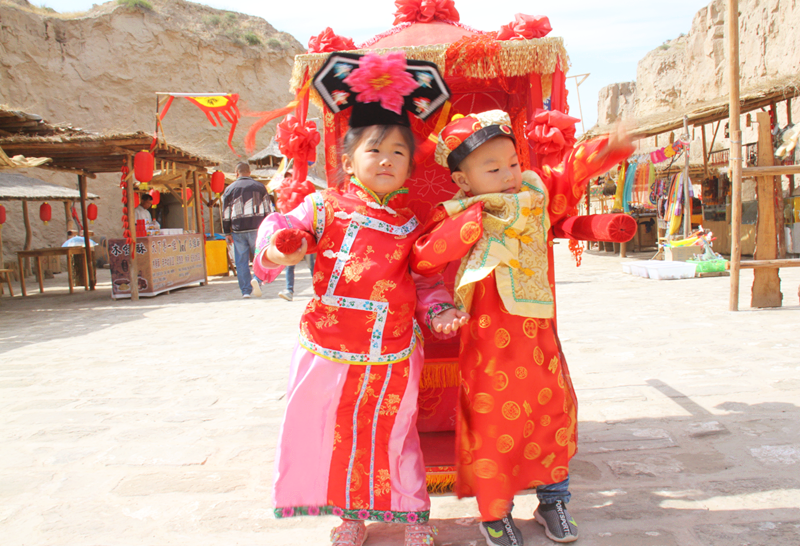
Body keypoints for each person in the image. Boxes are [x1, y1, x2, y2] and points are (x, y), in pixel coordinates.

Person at [252, 51, 469, 546]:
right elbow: (284, 228)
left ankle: (413, 517)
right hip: (328, 345)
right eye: (375, 150)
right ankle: (351, 517)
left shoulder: (415, 222)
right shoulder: (322, 204)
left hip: (392, 348)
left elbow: (429, 279)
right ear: (348, 161)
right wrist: (282, 245)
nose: (387, 159)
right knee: (338, 434)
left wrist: (438, 312)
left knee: (394, 433)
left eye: (399, 151)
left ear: (411, 166)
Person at [412, 110, 634, 545]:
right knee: (495, 425)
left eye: (512, 162)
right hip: (488, 341)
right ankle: (495, 513)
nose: (509, 174)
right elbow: (423, 258)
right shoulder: (462, 211)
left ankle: (554, 501)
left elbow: (569, 171)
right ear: (462, 180)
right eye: (493, 169)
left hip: (539, 335)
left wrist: (606, 148)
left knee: (551, 413)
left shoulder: (535, 191)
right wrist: (466, 229)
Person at [221, 162, 273, 298]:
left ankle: (245, 291)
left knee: (241, 261)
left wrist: (227, 231)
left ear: (236, 173)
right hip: (258, 228)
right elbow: (268, 209)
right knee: (259, 257)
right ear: (249, 172)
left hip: (238, 230)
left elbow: (225, 213)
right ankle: (257, 278)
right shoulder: (260, 187)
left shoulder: (229, 189)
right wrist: (269, 228)